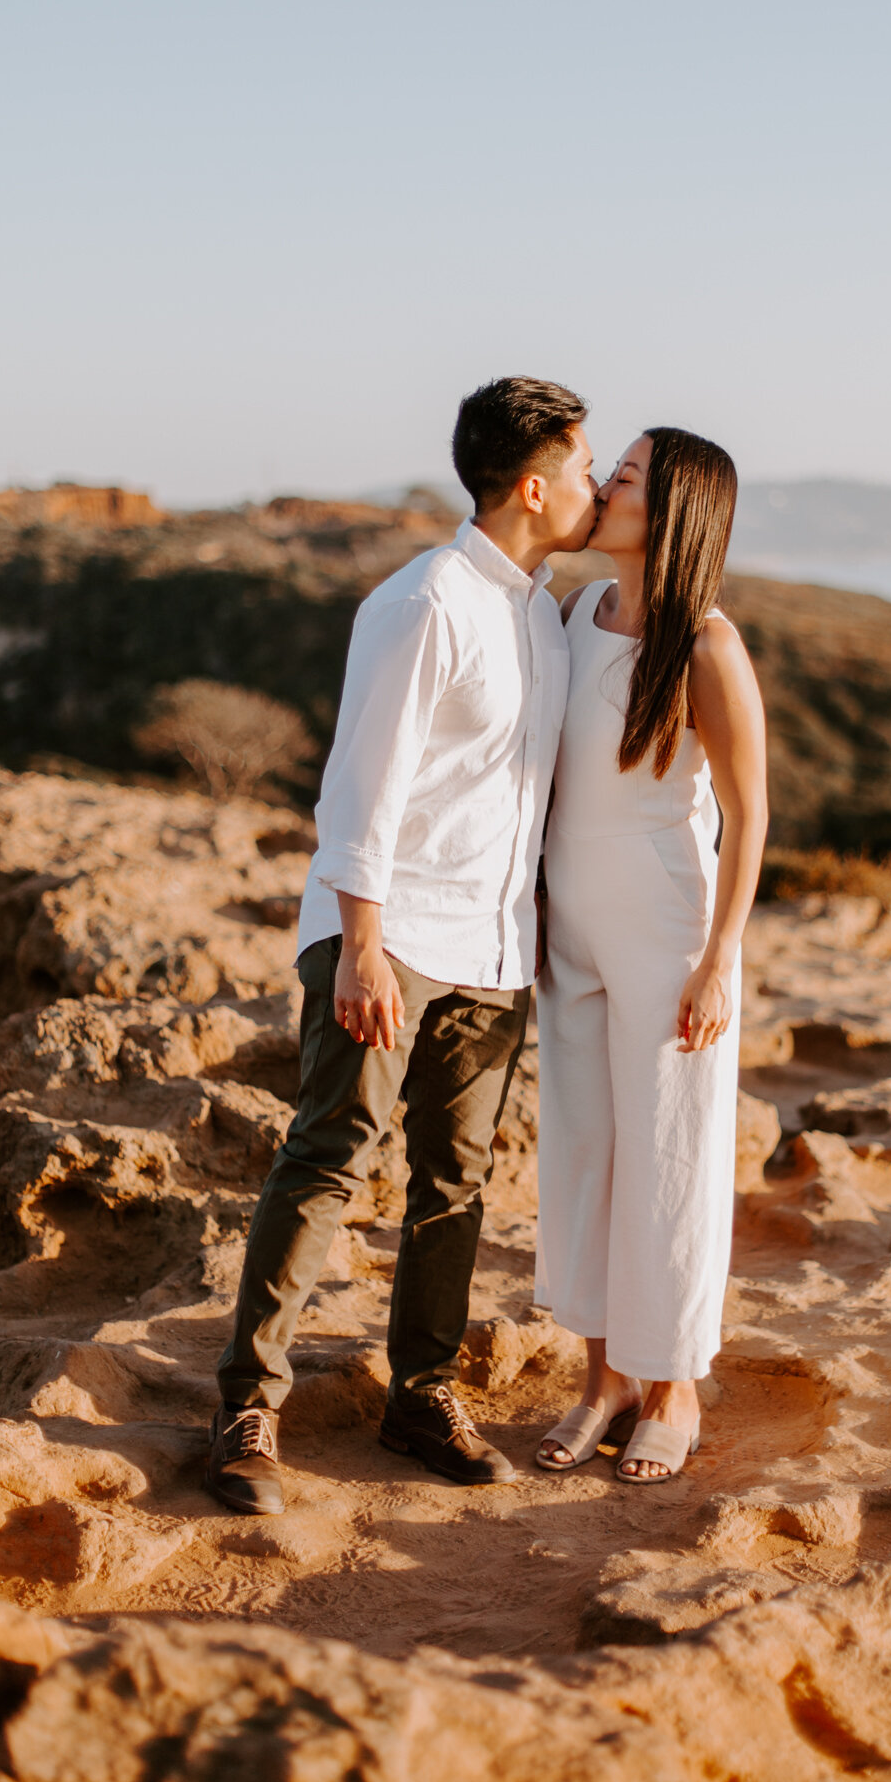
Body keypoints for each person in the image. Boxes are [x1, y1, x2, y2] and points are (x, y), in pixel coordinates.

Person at [207, 376, 598, 1514]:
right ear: (533, 484)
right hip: (387, 932)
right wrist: (364, 946)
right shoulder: (423, 600)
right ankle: (247, 1402)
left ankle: (420, 1393)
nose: (590, 483)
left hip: (493, 944)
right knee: (328, 1153)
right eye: (582, 466)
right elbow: (360, 784)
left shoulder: (541, 609)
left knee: (454, 1180)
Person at [534, 427, 767, 1483]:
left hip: (669, 933)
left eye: (624, 476)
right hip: (568, 923)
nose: (607, 487)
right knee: (584, 1148)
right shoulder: (578, 611)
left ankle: (671, 1385)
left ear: (671, 509)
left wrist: (720, 957)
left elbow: (749, 813)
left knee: (671, 1151)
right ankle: (603, 1379)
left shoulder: (708, 642)